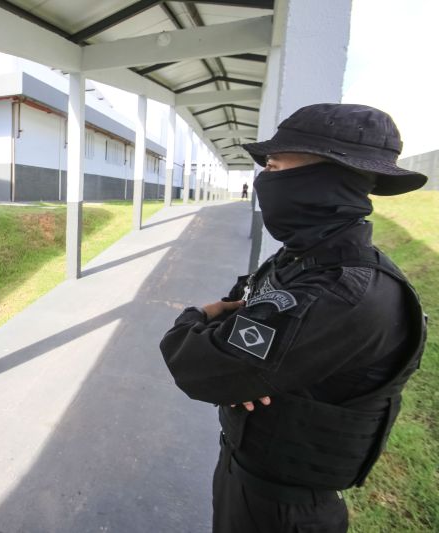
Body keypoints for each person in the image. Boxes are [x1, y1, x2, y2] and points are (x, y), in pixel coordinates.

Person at [159, 103, 428, 533]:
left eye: (275, 165)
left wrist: (200, 318)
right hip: (246, 475)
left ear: (326, 178)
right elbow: (242, 309)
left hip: (285, 512)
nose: (264, 177)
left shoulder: (341, 294)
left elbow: (195, 366)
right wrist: (239, 369)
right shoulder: (303, 258)